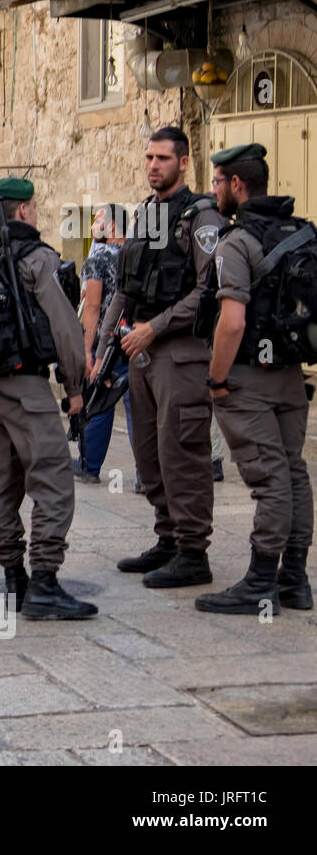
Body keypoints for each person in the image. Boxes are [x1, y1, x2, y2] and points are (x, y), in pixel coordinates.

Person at [100, 127, 225, 587]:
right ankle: (168, 537)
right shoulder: (146, 214)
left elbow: (209, 290)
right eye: (149, 157)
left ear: (184, 162)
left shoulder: (203, 217)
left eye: (163, 159)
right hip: (140, 354)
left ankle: (194, 552)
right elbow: (125, 288)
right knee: (148, 454)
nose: (153, 165)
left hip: (180, 353)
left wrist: (155, 327)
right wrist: (101, 349)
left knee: (182, 452)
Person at [0, 178, 96, 619]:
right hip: (28, 386)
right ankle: (44, 582)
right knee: (53, 479)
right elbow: (65, 327)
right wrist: (75, 387)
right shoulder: (38, 259)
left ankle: (12, 577)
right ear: (23, 211)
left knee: (0, 483)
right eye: (34, 208)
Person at [197, 143, 312, 614]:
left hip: (247, 376)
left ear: (237, 185)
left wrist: (216, 379)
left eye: (218, 182)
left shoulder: (237, 241)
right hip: (289, 374)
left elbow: (233, 322)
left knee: (269, 480)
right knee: (294, 473)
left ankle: (261, 582)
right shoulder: (301, 232)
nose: (214, 190)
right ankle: (295, 580)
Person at [75, 202, 134, 484]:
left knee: (100, 401)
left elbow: (93, 307)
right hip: (135, 338)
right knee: (139, 410)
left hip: (107, 344)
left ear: (111, 226)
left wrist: (87, 350)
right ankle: (146, 474)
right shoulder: (136, 255)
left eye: (97, 221)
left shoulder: (97, 260)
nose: (91, 227)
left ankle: (90, 464)